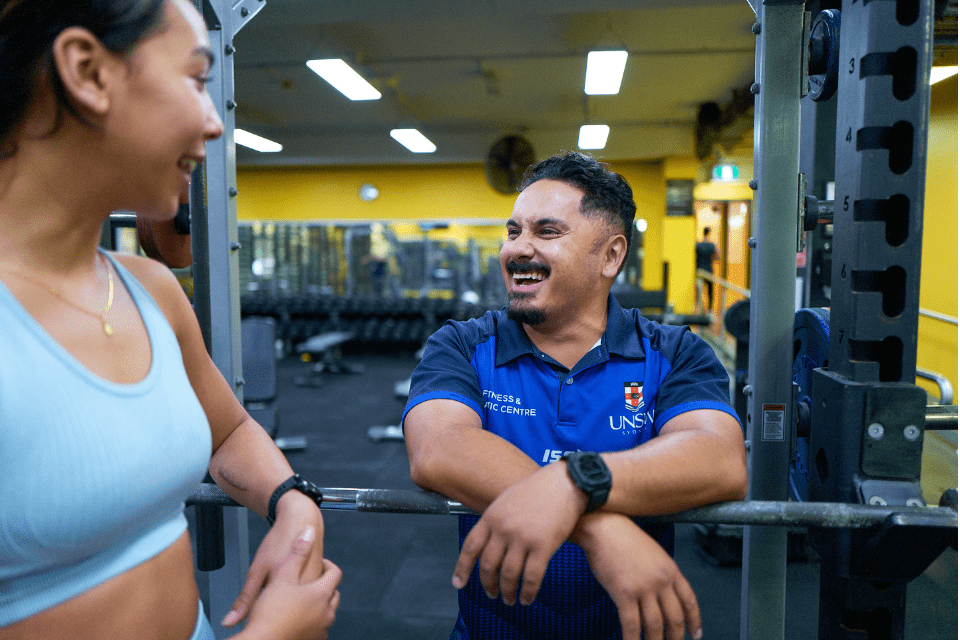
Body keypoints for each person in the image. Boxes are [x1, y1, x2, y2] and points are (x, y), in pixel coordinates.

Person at [0, 1, 341, 639]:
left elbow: (231, 432)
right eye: (193, 79)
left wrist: (292, 501)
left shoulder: (151, 289)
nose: (214, 123)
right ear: (87, 71)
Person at [402, 152, 747, 640]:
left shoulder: (674, 353)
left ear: (610, 256)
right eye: (513, 231)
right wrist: (599, 528)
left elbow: (719, 458)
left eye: (547, 232)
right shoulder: (462, 344)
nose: (517, 249)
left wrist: (573, 484)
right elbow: (437, 450)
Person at [695, 227, 719, 312]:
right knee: (710, 291)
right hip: (708, 270)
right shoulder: (712, 245)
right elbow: (717, 257)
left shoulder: (697, 245)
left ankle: (698, 308)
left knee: (698, 290)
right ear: (709, 233)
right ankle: (709, 310)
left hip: (699, 269)